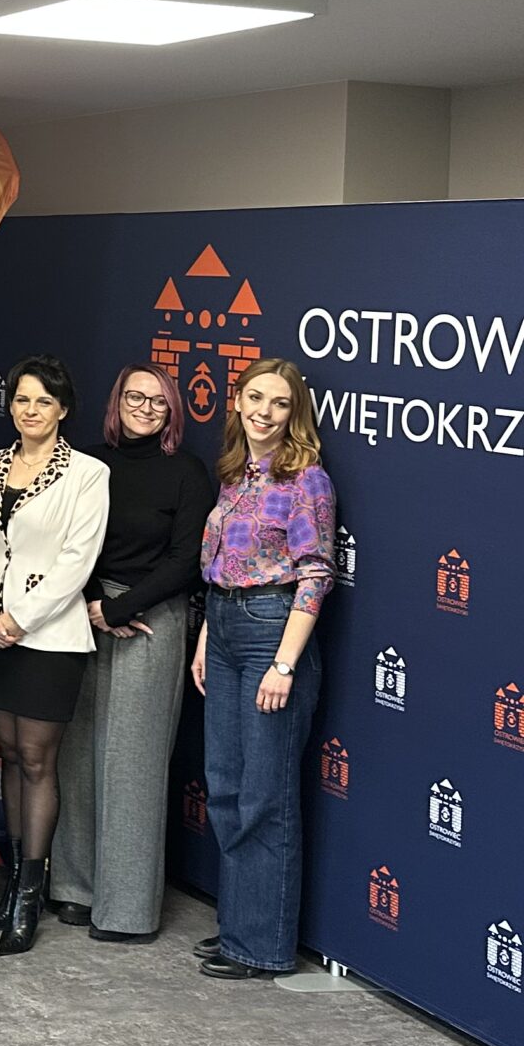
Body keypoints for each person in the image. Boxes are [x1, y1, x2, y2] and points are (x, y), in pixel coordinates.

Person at [52, 364, 215, 943]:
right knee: (77, 756)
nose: (145, 408)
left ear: (172, 411)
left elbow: (187, 559)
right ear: (115, 402)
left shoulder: (186, 472)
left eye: (157, 401)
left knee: (133, 766)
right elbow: (70, 540)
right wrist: (96, 602)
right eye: (134, 397)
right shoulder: (88, 463)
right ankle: (73, 887)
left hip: (152, 618)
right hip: (83, 611)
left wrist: (122, 609)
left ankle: (125, 910)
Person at [0, 354, 110, 955]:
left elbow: (78, 559)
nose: (30, 410)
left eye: (43, 401)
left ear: (63, 409)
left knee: (39, 761)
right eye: (22, 399)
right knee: (11, 756)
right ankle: (15, 880)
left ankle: (29, 895)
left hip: (48, 638)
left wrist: (20, 618)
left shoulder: (87, 474)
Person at [193, 358, 336, 981]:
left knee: (264, 794)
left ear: (294, 413)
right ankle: (240, 926)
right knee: (225, 784)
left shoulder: (307, 480)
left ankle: (261, 946)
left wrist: (285, 662)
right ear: (238, 401)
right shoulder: (237, 472)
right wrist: (206, 637)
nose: (264, 412)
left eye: (279, 403)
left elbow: (316, 574)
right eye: (255, 397)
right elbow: (223, 565)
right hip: (224, 625)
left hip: (271, 634)